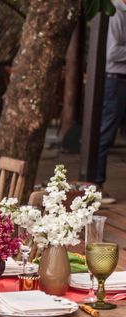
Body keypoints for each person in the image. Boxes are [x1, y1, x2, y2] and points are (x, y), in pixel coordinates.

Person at [96, 0, 126, 204]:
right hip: (115, 81)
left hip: (121, 81)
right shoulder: (115, 11)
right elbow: (113, 52)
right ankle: (95, 185)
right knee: (106, 132)